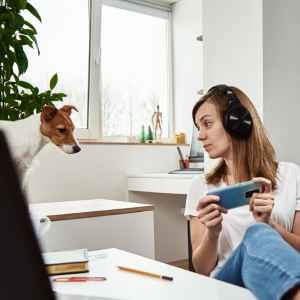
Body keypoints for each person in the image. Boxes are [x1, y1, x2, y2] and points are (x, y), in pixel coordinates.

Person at [184, 84, 300, 300]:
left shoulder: (292, 175)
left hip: (275, 283)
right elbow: (201, 269)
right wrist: (213, 232)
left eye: (207, 124)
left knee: (260, 232)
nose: (200, 136)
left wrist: (271, 226)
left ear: (236, 122)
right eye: (198, 127)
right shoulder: (201, 186)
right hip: (229, 284)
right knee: (256, 234)